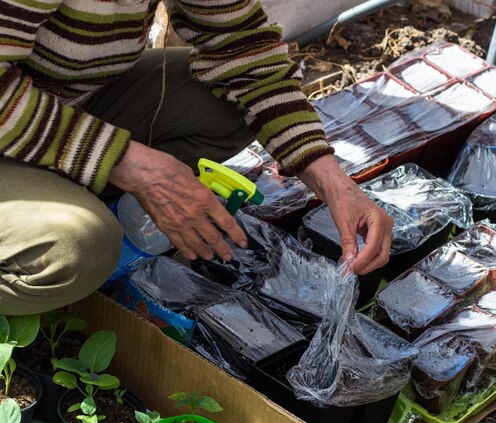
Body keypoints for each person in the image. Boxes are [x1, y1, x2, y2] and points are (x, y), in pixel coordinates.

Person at [0, 0, 394, 315]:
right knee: (80, 247)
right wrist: (124, 161)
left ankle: (61, 198)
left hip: (58, 105)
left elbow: (242, 47)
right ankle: (47, 237)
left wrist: (332, 181)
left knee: (225, 110)